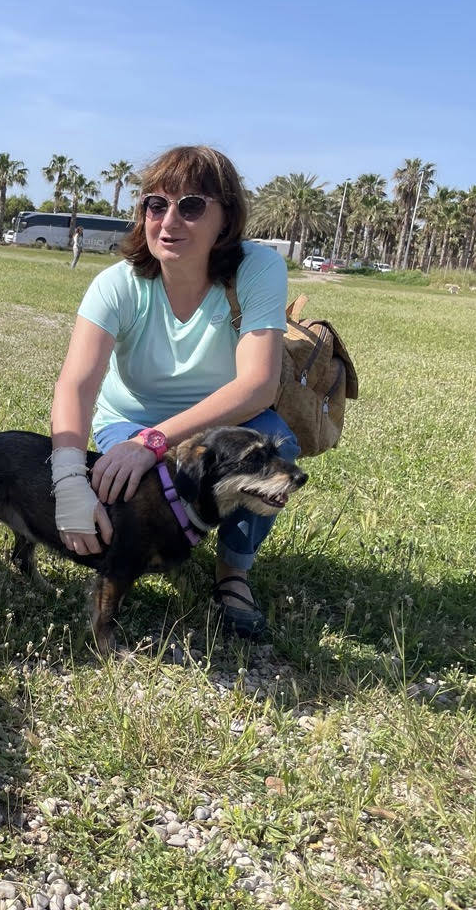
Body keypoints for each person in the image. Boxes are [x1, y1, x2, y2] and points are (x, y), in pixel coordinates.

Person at [49, 145, 295, 638]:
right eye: (155, 205)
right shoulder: (117, 284)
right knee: (144, 485)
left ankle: (233, 574)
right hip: (128, 418)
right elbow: (76, 384)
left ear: (225, 219)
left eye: (191, 205)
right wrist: (68, 477)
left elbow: (258, 385)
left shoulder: (256, 270)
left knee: (276, 444)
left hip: (222, 421)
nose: (168, 220)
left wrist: (154, 444)